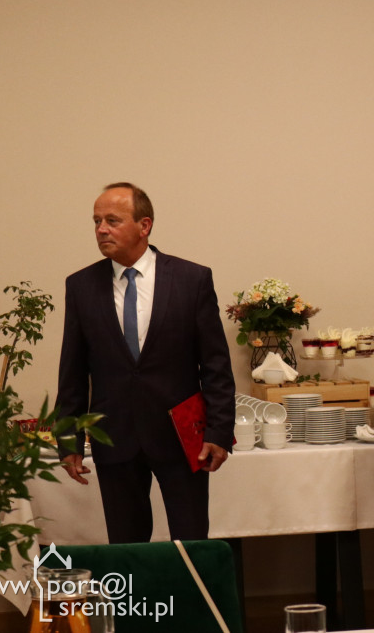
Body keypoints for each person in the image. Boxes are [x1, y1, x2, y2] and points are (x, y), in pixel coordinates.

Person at [56, 183, 236, 543]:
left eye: (112, 220)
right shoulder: (81, 286)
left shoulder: (191, 279)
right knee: (126, 550)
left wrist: (219, 432)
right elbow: (72, 372)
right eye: (96, 221)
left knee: (190, 544)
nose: (101, 229)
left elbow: (215, 365)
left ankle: (190, 586)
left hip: (181, 436)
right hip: (114, 437)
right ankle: (132, 587)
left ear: (144, 225)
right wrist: (68, 440)